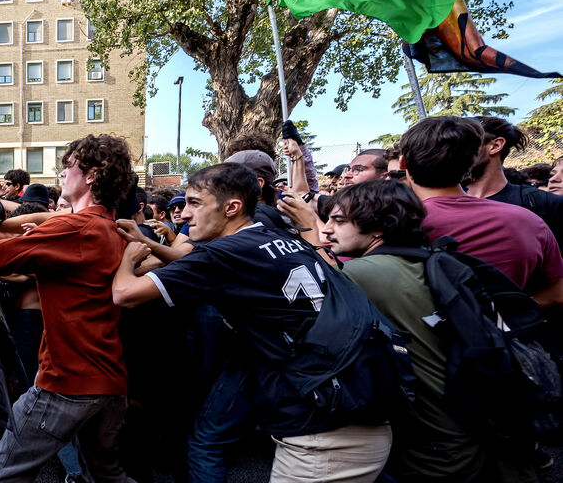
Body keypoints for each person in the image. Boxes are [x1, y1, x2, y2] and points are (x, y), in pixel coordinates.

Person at [113, 163, 393, 483]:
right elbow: (198, 264)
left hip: (322, 435)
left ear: (231, 207)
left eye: (195, 203)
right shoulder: (276, 238)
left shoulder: (222, 254)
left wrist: (129, 256)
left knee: (206, 443)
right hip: (359, 399)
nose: (186, 215)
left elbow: (125, 294)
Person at [320, 179, 526, 482]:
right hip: (472, 428)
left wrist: (304, 225)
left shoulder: (365, 273)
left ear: (377, 226)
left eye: (337, 221)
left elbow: (313, 284)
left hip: (434, 446)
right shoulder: (422, 259)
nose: (326, 229)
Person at [0, 133, 135, 483]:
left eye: (68, 166)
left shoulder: (76, 225)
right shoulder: (111, 228)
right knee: (106, 476)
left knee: (2, 475)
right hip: (108, 382)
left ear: (92, 174)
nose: (61, 174)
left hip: (68, 381)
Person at [398, 116, 563, 302]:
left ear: (403, 163)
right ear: (469, 161)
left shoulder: (396, 224)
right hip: (509, 329)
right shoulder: (529, 221)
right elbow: (558, 294)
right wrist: (506, 315)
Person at [466, 116, 563, 248]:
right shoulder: (440, 203)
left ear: (495, 145)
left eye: (463, 141)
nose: (451, 149)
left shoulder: (544, 203)